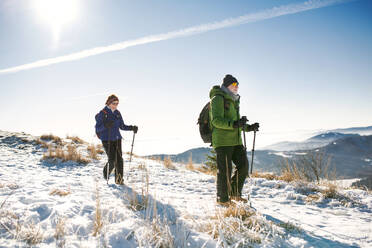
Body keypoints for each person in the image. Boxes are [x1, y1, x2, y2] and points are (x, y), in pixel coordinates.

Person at [209, 74, 259, 206]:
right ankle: (223, 200)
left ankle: (235, 194)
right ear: (227, 86)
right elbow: (216, 121)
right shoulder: (217, 98)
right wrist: (234, 124)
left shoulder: (234, 100)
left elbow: (236, 123)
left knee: (243, 166)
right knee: (225, 171)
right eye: (234, 85)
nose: (237, 87)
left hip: (236, 141)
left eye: (238, 85)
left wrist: (249, 127)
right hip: (223, 141)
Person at [95, 94, 138, 184]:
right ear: (109, 103)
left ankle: (119, 180)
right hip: (107, 139)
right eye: (114, 103)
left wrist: (132, 128)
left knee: (119, 160)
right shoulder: (102, 113)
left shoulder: (117, 113)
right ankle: (105, 172)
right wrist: (105, 126)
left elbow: (122, 126)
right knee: (112, 160)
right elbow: (97, 128)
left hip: (117, 139)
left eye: (117, 103)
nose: (115, 105)